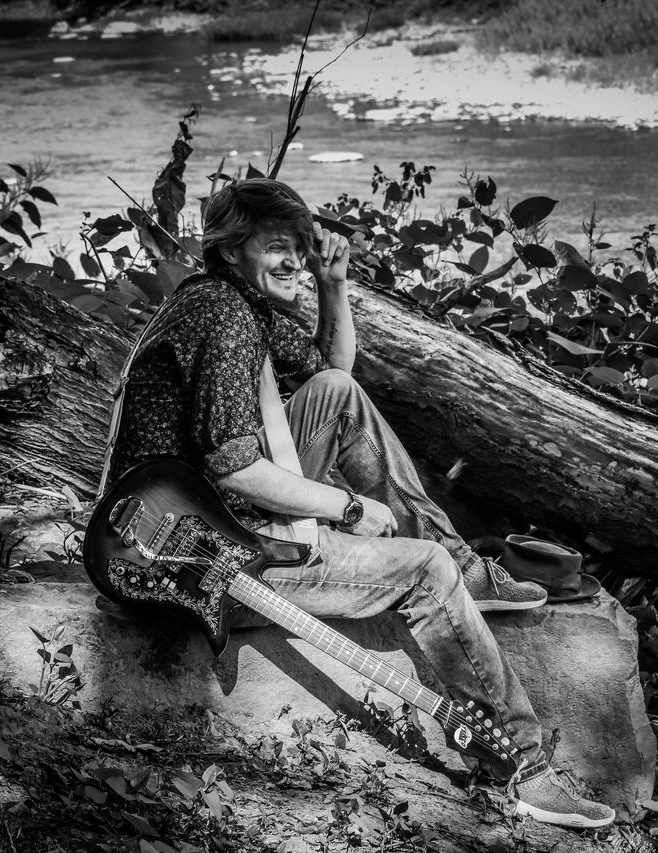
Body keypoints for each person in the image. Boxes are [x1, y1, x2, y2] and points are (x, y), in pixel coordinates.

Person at [103, 178, 615, 829]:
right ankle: (525, 768)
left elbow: (327, 365)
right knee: (426, 569)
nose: (295, 260)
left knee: (337, 390)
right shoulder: (225, 318)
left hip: (183, 525)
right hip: (198, 556)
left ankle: (465, 562)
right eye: (278, 247)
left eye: (302, 247)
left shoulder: (232, 304)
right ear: (233, 252)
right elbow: (234, 468)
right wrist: (345, 506)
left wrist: (336, 283)